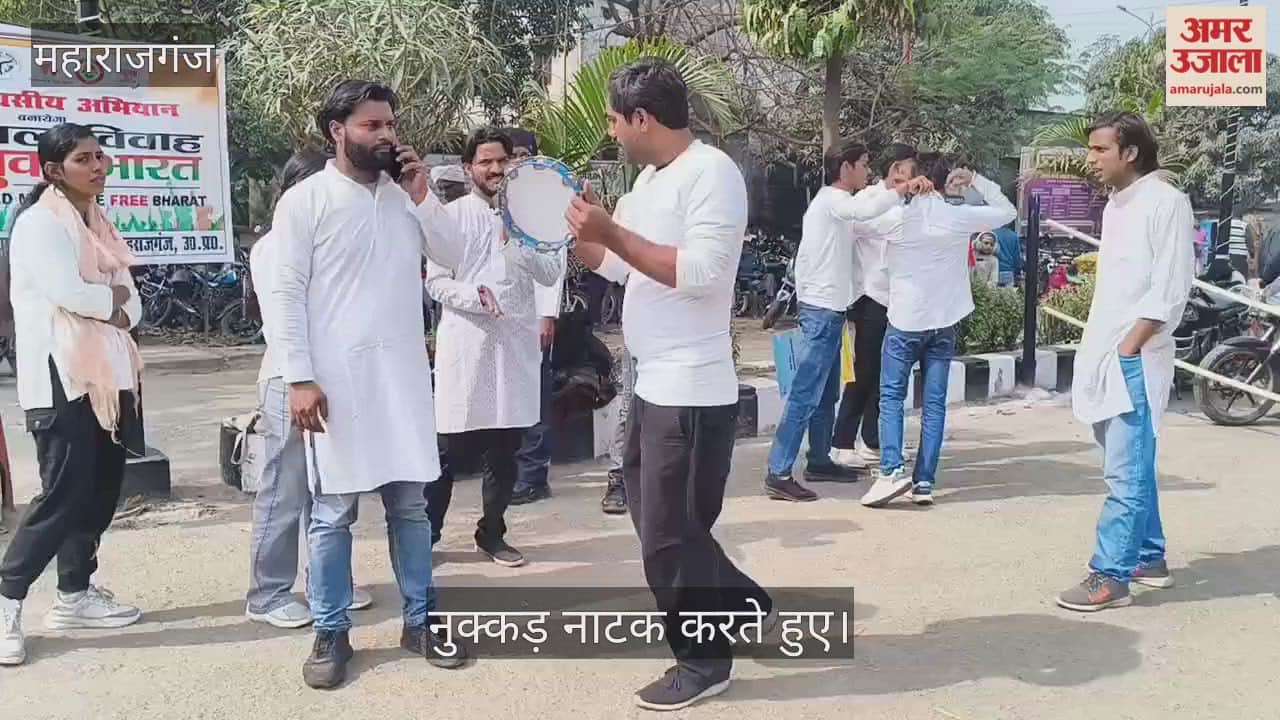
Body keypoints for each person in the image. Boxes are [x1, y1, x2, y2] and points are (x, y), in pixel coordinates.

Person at [566, 57, 773, 712]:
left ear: (642, 118)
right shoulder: (645, 184)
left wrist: (612, 233)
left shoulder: (711, 174)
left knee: (668, 535)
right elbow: (621, 267)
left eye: (614, 118)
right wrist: (579, 236)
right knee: (658, 519)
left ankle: (704, 662)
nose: (610, 130)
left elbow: (704, 274)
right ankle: (743, 602)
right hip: (651, 382)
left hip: (692, 389)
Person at [270, 79, 468, 689]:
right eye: (371, 126)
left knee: (410, 508)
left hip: (403, 377)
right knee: (332, 513)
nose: (385, 136)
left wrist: (423, 196)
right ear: (338, 131)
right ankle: (330, 631)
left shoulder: (407, 196)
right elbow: (284, 295)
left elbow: (455, 255)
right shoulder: (305, 202)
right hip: (336, 383)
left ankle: (420, 619)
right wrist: (299, 377)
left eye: (389, 125)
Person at [0, 123, 144, 666]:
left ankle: (74, 594)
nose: (100, 166)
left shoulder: (97, 225)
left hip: (108, 380)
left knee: (100, 489)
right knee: (62, 495)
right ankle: (8, 600)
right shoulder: (41, 224)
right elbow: (72, 294)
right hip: (62, 379)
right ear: (54, 170)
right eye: (86, 158)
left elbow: (132, 299)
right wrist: (114, 302)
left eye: (102, 157)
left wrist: (113, 302)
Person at [1057, 111, 1194, 612]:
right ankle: (1149, 557)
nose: (1089, 160)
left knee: (1125, 472)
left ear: (1129, 152)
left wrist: (1132, 344)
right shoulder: (1118, 205)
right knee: (1130, 466)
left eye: (1099, 150)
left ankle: (1110, 575)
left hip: (1135, 354)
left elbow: (1172, 285)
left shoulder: (1166, 202)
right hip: (1106, 351)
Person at [244, 148, 374, 629]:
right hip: (290, 379)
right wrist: (302, 378)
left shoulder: (329, 235)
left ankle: (325, 580)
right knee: (286, 488)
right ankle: (267, 592)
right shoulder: (277, 244)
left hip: (334, 376)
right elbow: (284, 319)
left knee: (332, 484)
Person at [422, 127, 561, 568]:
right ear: (469, 169)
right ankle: (426, 536)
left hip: (514, 348)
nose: (496, 169)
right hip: (467, 347)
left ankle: (492, 534)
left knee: (505, 452)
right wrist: (475, 297)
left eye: (502, 161)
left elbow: (550, 270)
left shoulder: (531, 218)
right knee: (447, 452)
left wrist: (518, 238)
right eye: (486, 161)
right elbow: (436, 281)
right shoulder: (452, 216)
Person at [763, 141, 927, 502]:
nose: (868, 170)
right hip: (821, 310)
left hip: (832, 310)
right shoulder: (832, 203)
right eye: (864, 164)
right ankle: (778, 471)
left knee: (826, 393)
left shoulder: (844, 209)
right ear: (845, 168)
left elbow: (879, 222)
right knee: (806, 393)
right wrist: (899, 187)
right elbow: (865, 209)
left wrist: (905, 197)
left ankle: (820, 460)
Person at [860, 153, 1016, 509]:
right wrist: (977, 178)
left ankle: (891, 470)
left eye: (902, 177)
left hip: (904, 323)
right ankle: (924, 482)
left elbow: (856, 219)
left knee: (891, 399)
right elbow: (1006, 211)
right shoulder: (957, 217)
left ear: (917, 181)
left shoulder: (897, 217)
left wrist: (895, 194)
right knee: (933, 405)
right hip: (945, 322)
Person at [831, 143, 919, 470]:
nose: (908, 179)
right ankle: (841, 441)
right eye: (905, 171)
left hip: (895, 300)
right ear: (893, 169)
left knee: (885, 374)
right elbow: (866, 226)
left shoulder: (905, 203)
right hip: (870, 298)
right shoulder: (868, 199)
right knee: (863, 372)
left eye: (911, 174)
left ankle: (872, 440)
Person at [508, 127, 568, 507]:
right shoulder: (505, 195)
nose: (511, 161)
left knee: (535, 396)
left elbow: (555, 258)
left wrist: (548, 313)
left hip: (534, 314)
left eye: (517, 153)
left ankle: (533, 475)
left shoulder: (547, 197)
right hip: (505, 315)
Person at [994, 221, 1023, 287]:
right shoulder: (1014, 235)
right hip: (1008, 271)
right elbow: (1017, 257)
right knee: (1008, 295)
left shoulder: (992, 234)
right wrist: (1017, 272)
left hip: (994, 270)